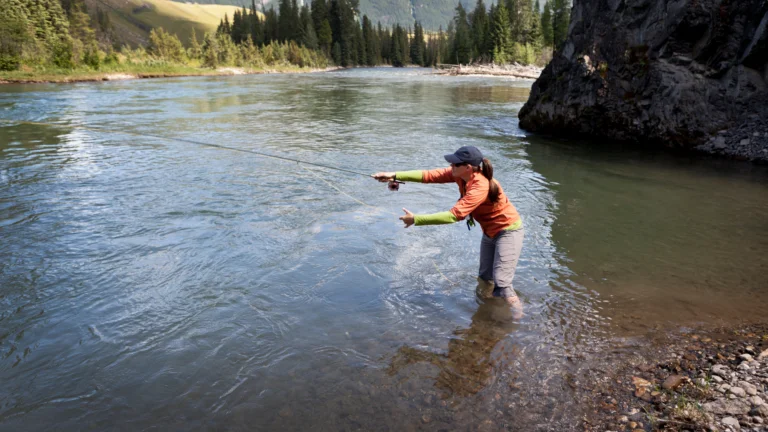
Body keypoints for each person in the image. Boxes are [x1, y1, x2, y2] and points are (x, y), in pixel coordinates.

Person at [373, 146, 525, 319]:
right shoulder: (460, 175)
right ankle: (488, 311)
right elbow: (429, 176)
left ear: (468, 167)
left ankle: (519, 319)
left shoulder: (480, 185)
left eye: (454, 163)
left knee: (502, 283)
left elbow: (454, 216)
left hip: (508, 231)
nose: (450, 165)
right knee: (485, 278)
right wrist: (394, 175)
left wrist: (416, 220)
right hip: (489, 232)